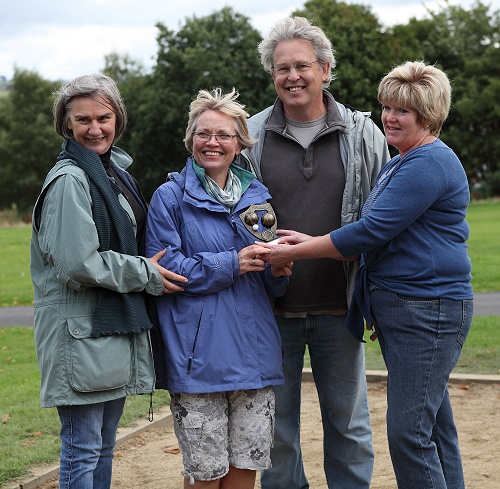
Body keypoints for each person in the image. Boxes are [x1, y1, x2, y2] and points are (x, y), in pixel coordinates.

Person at [262, 60, 474, 489]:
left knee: (410, 434)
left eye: (403, 112)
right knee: (433, 426)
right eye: (387, 107)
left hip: (427, 309)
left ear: (428, 116)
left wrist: (299, 250)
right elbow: (374, 231)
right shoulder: (402, 161)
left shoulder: (427, 163)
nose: (390, 118)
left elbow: (369, 232)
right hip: (407, 309)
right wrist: (316, 240)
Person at [238, 16, 390, 488]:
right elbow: (230, 215)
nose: (292, 76)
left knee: (348, 426)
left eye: (302, 65)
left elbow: (383, 217)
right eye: (281, 68)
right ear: (272, 76)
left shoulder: (364, 133)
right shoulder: (249, 136)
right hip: (269, 308)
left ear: (326, 70)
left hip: (340, 306)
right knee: (276, 431)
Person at [30, 73, 188, 489]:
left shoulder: (112, 171)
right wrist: (146, 273)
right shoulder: (70, 180)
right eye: (82, 120)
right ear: (66, 124)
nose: (94, 128)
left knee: (100, 446)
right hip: (81, 333)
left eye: (104, 117)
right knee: (82, 449)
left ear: (118, 117)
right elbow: (78, 264)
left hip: (107, 330)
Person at [145, 87, 292, 489]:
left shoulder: (257, 198)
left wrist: (276, 272)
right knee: (207, 476)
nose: (213, 143)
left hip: (254, 355)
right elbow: (166, 269)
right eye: (204, 134)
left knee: (246, 470)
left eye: (224, 135)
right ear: (190, 139)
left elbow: (261, 279)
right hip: (199, 359)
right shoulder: (169, 198)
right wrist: (233, 263)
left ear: (240, 142)